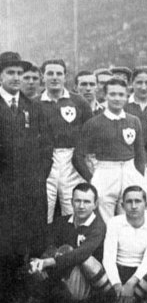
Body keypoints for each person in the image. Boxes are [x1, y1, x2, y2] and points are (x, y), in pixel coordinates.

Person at [0, 52, 53, 303]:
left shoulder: (33, 108)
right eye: (10, 73)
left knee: (25, 243)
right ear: (1, 76)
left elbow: (46, 149)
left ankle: (20, 297)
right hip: (3, 193)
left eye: (19, 74)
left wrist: (37, 180)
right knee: (3, 246)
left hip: (30, 191)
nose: (16, 78)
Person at [9, 183, 109, 303]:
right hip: (65, 275)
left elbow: (81, 254)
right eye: (77, 201)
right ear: (71, 201)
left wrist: (48, 262)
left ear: (95, 204)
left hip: (87, 282)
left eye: (86, 202)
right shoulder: (62, 222)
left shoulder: (98, 227)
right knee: (49, 253)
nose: (81, 206)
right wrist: (39, 261)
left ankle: (99, 299)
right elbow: (47, 243)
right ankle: (30, 300)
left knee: (76, 254)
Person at [77, 77, 146, 223]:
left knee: (130, 216)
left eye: (121, 94)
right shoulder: (94, 123)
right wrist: (92, 179)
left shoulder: (133, 121)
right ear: (105, 96)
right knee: (105, 218)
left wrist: (139, 174)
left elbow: (140, 153)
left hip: (129, 170)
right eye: (113, 94)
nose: (117, 98)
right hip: (106, 171)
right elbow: (78, 156)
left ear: (127, 96)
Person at [38, 59, 93, 223]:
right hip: (45, 160)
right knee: (44, 207)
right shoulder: (35, 103)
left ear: (65, 76)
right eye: (50, 73)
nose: (54, 77)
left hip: (72, 160)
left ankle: (71, 245)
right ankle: (45, 247)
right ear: (43, 76)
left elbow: (89, 133)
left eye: (59, 74)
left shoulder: (79, 102)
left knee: (73, 207)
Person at [93, 186, 147, 303]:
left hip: (140, 276)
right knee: (91, 264)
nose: (134, 206)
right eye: (129, 202)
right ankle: (133, 302)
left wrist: (131, 283)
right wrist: (117, 284)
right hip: (117, 272)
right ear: (122, 205)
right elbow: (108, 258)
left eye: (138, 201)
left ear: (146, 204)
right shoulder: (113, 223)